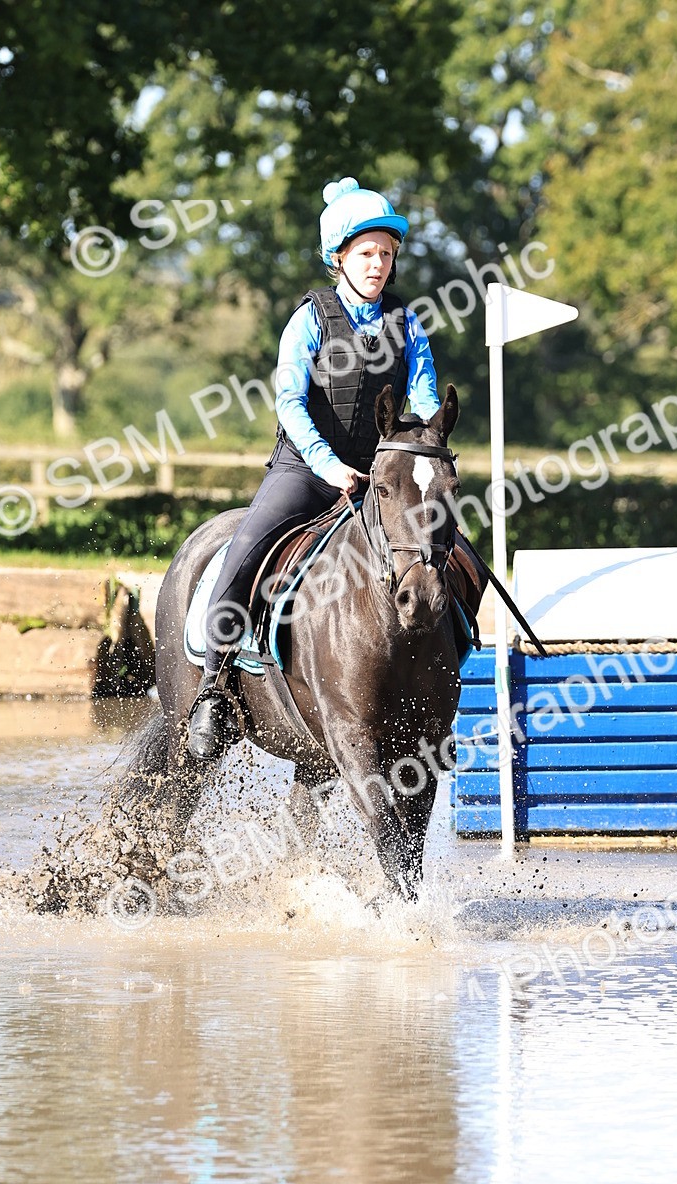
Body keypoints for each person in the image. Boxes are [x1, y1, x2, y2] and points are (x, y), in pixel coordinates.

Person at [187, 176, 442, 760]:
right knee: (244, 551)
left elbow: (426, 398)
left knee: (441, 548)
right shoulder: (309, 320)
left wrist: (420, 447)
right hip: (304, 470)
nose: (378, 264)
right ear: (339, 257)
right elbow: (290, 403)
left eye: (386, 254)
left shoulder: (408, 323)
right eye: (367, 253)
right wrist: (329, 466)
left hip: (380, 477)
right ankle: (213, 687)